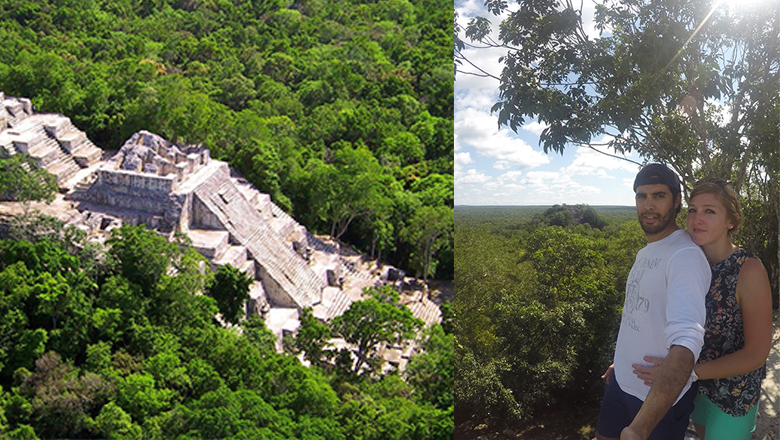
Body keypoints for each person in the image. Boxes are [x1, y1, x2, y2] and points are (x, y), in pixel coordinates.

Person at [632, 178, 772, 440]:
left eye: (709, 211)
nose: (697, 219)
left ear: (731, 221)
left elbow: (756, 353)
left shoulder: (748, 270)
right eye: (692, 210)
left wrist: (686, 373)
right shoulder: (686, 258)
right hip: (693, 389)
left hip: (732, 396)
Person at [596, 163, 711, 440]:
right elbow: (642, 316)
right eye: (641, 196)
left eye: (658, 196)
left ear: (676, 201)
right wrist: (621, 362)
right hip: (621, 384)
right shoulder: (647, 252)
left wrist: (640, 428)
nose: (648, 205)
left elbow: (686, 340)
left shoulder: (684, 255)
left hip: (656, 401)